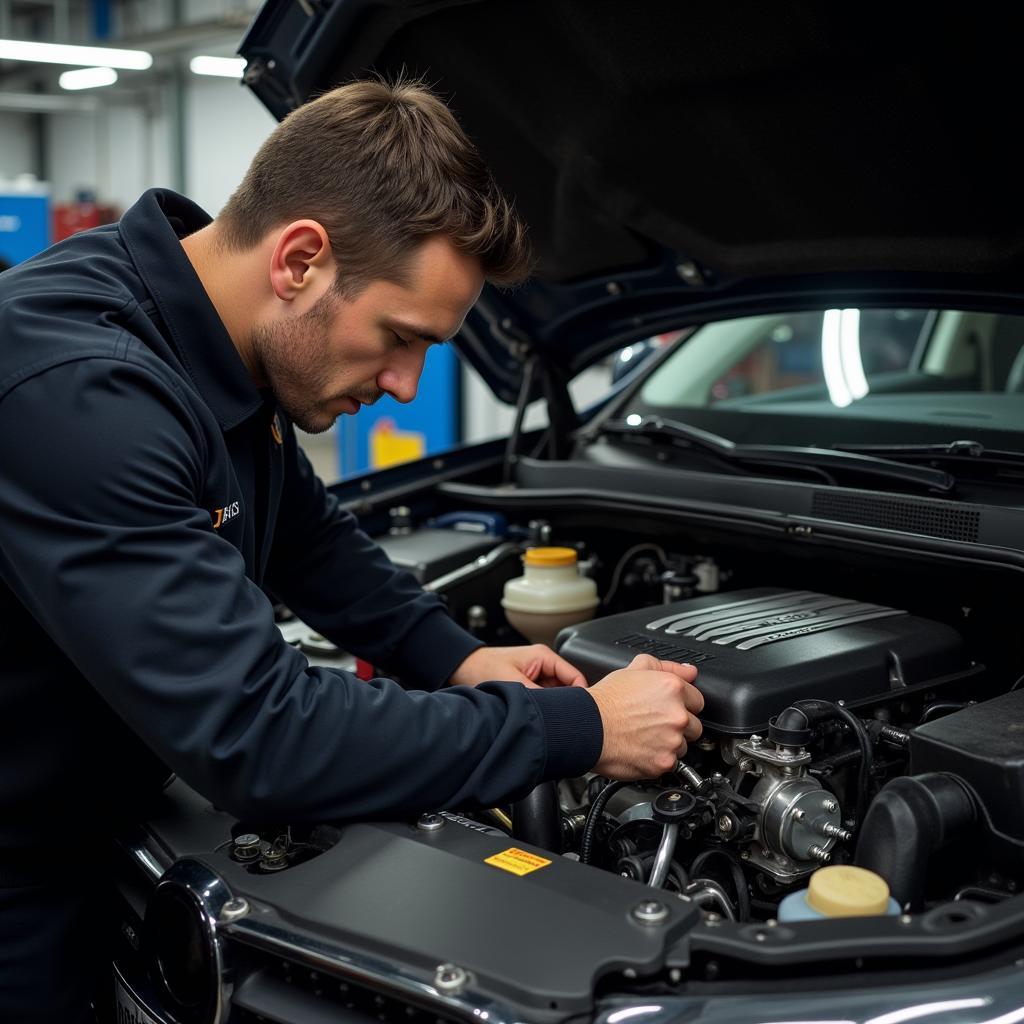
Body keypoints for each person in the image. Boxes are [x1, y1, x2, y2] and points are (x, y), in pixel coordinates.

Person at [0, 77, 704, 1022]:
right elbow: (264, 736)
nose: (409, 387)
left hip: (91, 806)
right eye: (400, 338)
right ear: (300, 260)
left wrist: (455, 655)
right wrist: (581, 731)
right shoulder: (86, 394)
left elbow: (306, 533)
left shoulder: (207, 333)